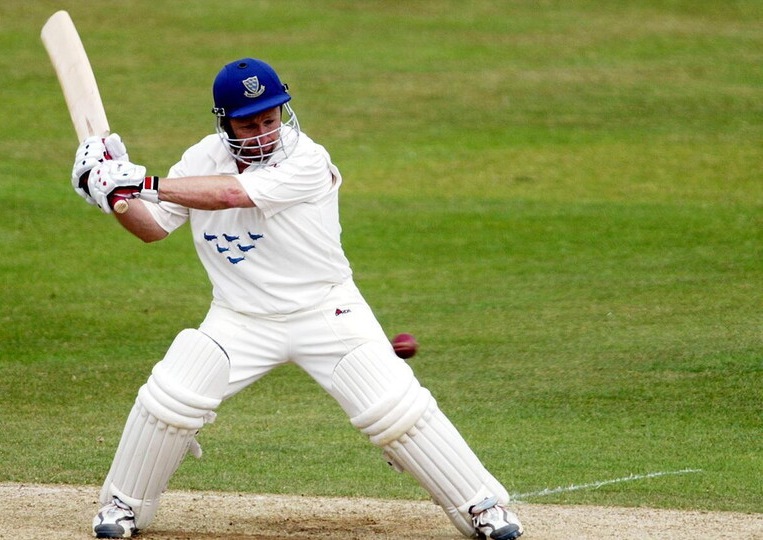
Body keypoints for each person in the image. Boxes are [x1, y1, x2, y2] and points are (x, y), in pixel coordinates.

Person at [69, 58, 523, 540]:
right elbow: (153, 228)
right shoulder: (201, 158)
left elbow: (229, 196)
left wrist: (137, 181)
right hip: (239, 317)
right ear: (225, 122)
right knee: (172, 395)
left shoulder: (306, 158)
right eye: (250, 122)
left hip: (326, 310)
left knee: (395, 407)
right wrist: (109, 194)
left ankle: (483, 506)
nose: (266, 132)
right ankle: (124, 505)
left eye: (272, 117)